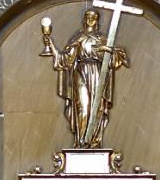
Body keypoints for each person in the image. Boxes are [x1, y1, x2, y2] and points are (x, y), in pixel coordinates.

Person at [41, 8, 129, 148]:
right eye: (88, 16)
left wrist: (108, 50)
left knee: (98, 107)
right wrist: (50, 44)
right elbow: (66, 59)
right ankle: (81, 142)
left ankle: (93, 142)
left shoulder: (103, 38)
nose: (90, 19)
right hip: (81, 71)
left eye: (94, 17)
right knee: (83, 106)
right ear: (84, 19)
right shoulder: (78, 37)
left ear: (97, 21)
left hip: (99, 74)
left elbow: (114, 60)